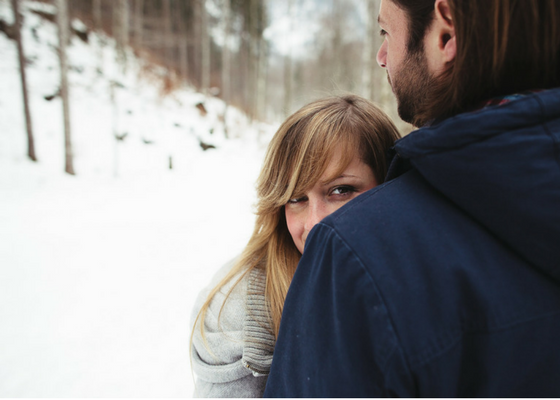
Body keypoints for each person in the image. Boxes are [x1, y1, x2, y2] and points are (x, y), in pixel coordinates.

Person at [264, 0, 560, 397]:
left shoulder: (356, 255)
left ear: (446, 31)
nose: (381, 56)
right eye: (296, 197)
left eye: (387, 32)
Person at [189, 95, 400, 397]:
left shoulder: (425, 280)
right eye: (296, 198)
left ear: (389, 188)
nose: (315, 222)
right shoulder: (236, 308)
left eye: (341, 191)